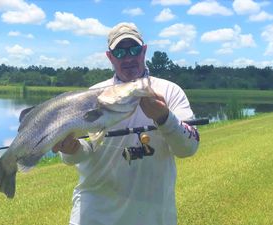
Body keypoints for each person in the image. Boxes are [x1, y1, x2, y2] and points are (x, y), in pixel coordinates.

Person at [52, 22, 200, 225]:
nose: (129, 57)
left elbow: (188, 148)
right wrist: (71, 150)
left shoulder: (170, 92)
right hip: (95, 214)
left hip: (153, 216)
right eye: (120, 52)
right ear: (110, 57)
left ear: (144, 50)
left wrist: (164, 117)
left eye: (134, 49)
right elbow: (77, 155)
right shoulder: (93, 95)